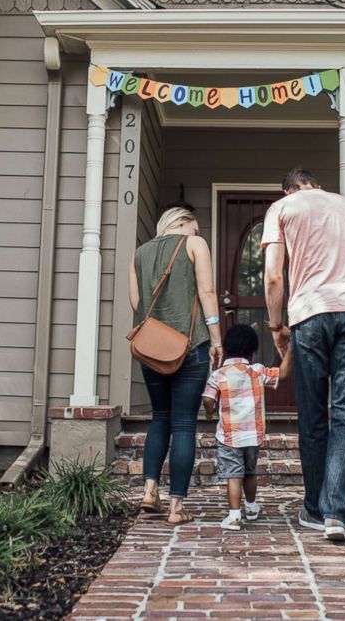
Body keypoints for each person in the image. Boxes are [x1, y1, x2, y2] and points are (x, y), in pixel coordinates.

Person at [261, 168, 345, 542]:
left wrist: (277, 327)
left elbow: (274, 276)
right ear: (318, 185)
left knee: (312, 415)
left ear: (287, 189)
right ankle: (335, 514)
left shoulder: (282, 207)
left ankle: (314, 508)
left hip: (310, 315)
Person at [129, 207, 224, 526]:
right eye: (194, 227)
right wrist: (216, 338)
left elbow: (137, 303)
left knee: (160, 418)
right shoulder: (195, 245)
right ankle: (176, 507)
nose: (197, 233)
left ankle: (149, 492)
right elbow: (207, 292)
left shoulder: (139, 253)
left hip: (151, 348)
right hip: (190, 345)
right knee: (184, 423)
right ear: (183, 223)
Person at [202, 324, 293, 531]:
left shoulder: (218, 375)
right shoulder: (258, 371)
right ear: (252, 354)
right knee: (250, 472)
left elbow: (207, 399)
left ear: (226, 350)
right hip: (253, 436)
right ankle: (251, 508)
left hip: (229, 436)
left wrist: (209, 412)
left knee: (234, 474)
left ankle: (234, 516)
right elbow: (284, 373)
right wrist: (290, 348)